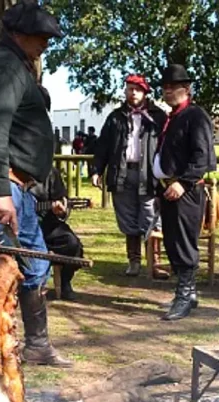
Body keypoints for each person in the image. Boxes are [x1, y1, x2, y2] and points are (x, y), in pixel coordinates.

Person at [0, 0, 71, 366]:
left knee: (34, 263)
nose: (46, 45)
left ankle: (36, 345)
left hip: (13, 184)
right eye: (41, 38)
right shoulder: (5, 67)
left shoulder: (15, 66)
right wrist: (2, 194)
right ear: (19, 34)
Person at [153, 64, 216, 321]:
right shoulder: (172, 117)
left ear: (186, 89)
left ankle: (185, 294)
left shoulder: (195, 116)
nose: (167, 92)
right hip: (167, 188)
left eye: (172, 87)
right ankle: (188, 293)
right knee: (171, 241)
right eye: (165, 88)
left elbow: (203, 157)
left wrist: (184, 182)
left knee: (184, 243)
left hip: (186, 190)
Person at [92, 73, 166, 277]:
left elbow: (167, 147)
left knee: (151, 218)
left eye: (137, 89)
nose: (133, 93)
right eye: (129, 88)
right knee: (128, 220)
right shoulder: (115, 117)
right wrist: (96, 170)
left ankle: (155, 263)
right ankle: (134, 261)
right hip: (122, 173)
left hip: (149, 176)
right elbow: (103, 146)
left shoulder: (158, 117)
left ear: (145, 92)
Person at [33, 167, 84, 301]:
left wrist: (60, 211)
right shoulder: (11, 169)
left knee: (71, 243)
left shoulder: (50, 172)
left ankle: (65, 281)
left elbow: (62, 203)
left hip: (46, 225)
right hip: (17, 226)